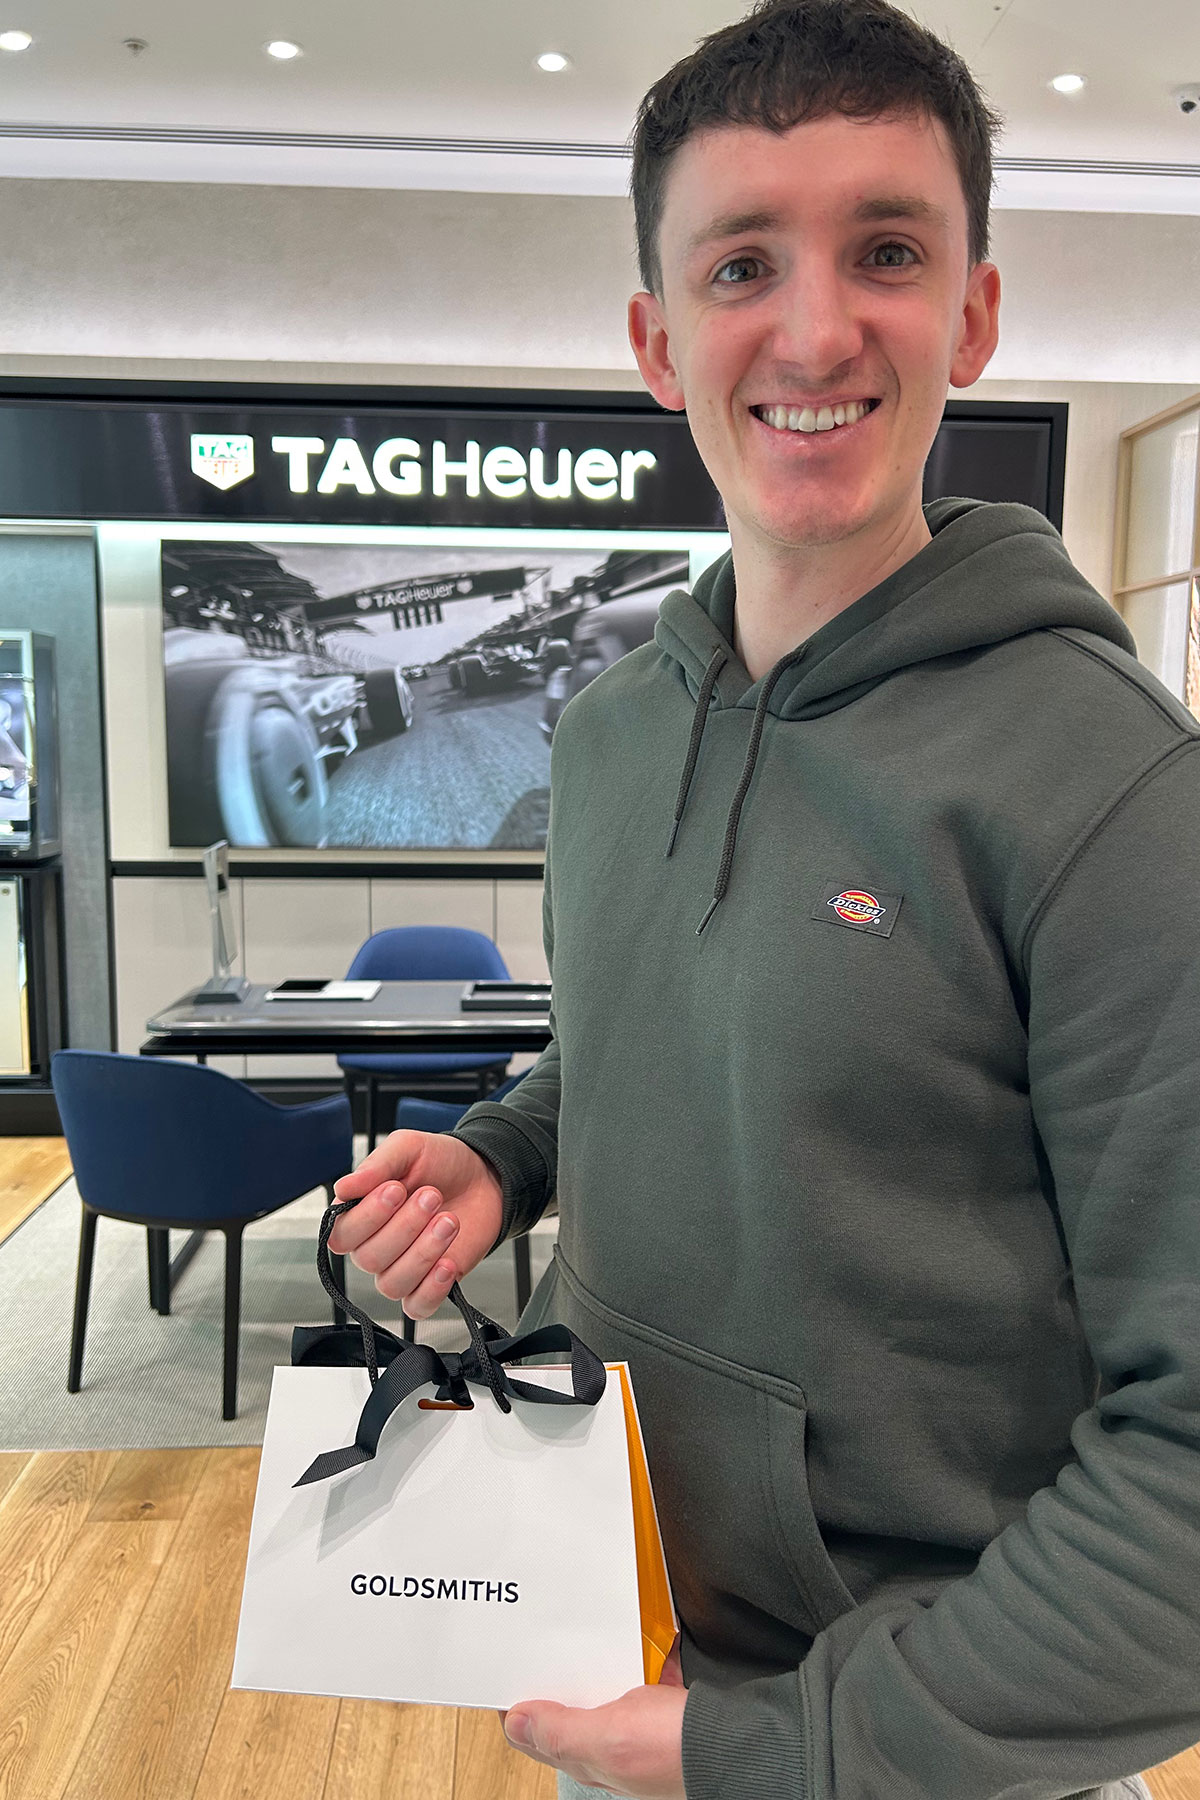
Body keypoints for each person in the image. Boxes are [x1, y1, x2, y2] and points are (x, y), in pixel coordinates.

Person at [330, 2, 1200, 1795]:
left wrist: (792, 1751)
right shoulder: (609, 735)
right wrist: (510, 1149)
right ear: (660, 342)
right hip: (623, 1653)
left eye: (886, 249)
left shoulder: (1119, 793)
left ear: (974, 310)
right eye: (743, 264)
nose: (815, 329)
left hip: (923, 1738)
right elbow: (661, 1038)